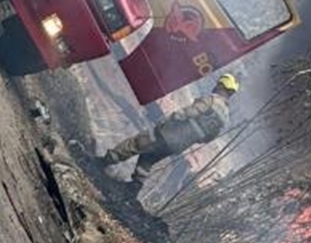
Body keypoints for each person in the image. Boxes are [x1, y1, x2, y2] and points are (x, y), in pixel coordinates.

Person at [101, 73, 239, 183]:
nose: (215, 87)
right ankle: (134, 187)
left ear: (222, 86)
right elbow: (208, 139)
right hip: (180, 144)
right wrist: (190, 138)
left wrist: (167, 120)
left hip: (169, 133)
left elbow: (187, 113)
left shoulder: (212, 101)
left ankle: (105, 161)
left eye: (218, 85)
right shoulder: (225, 117)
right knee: (149, 158)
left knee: (138, 143)